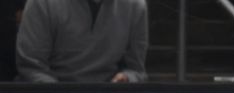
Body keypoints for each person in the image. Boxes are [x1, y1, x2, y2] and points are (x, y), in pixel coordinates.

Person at [16, 0, 148, 83]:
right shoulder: (42, 3)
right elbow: (31, 67)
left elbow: (136, 70)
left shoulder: (135, 5)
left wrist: (127, 78)